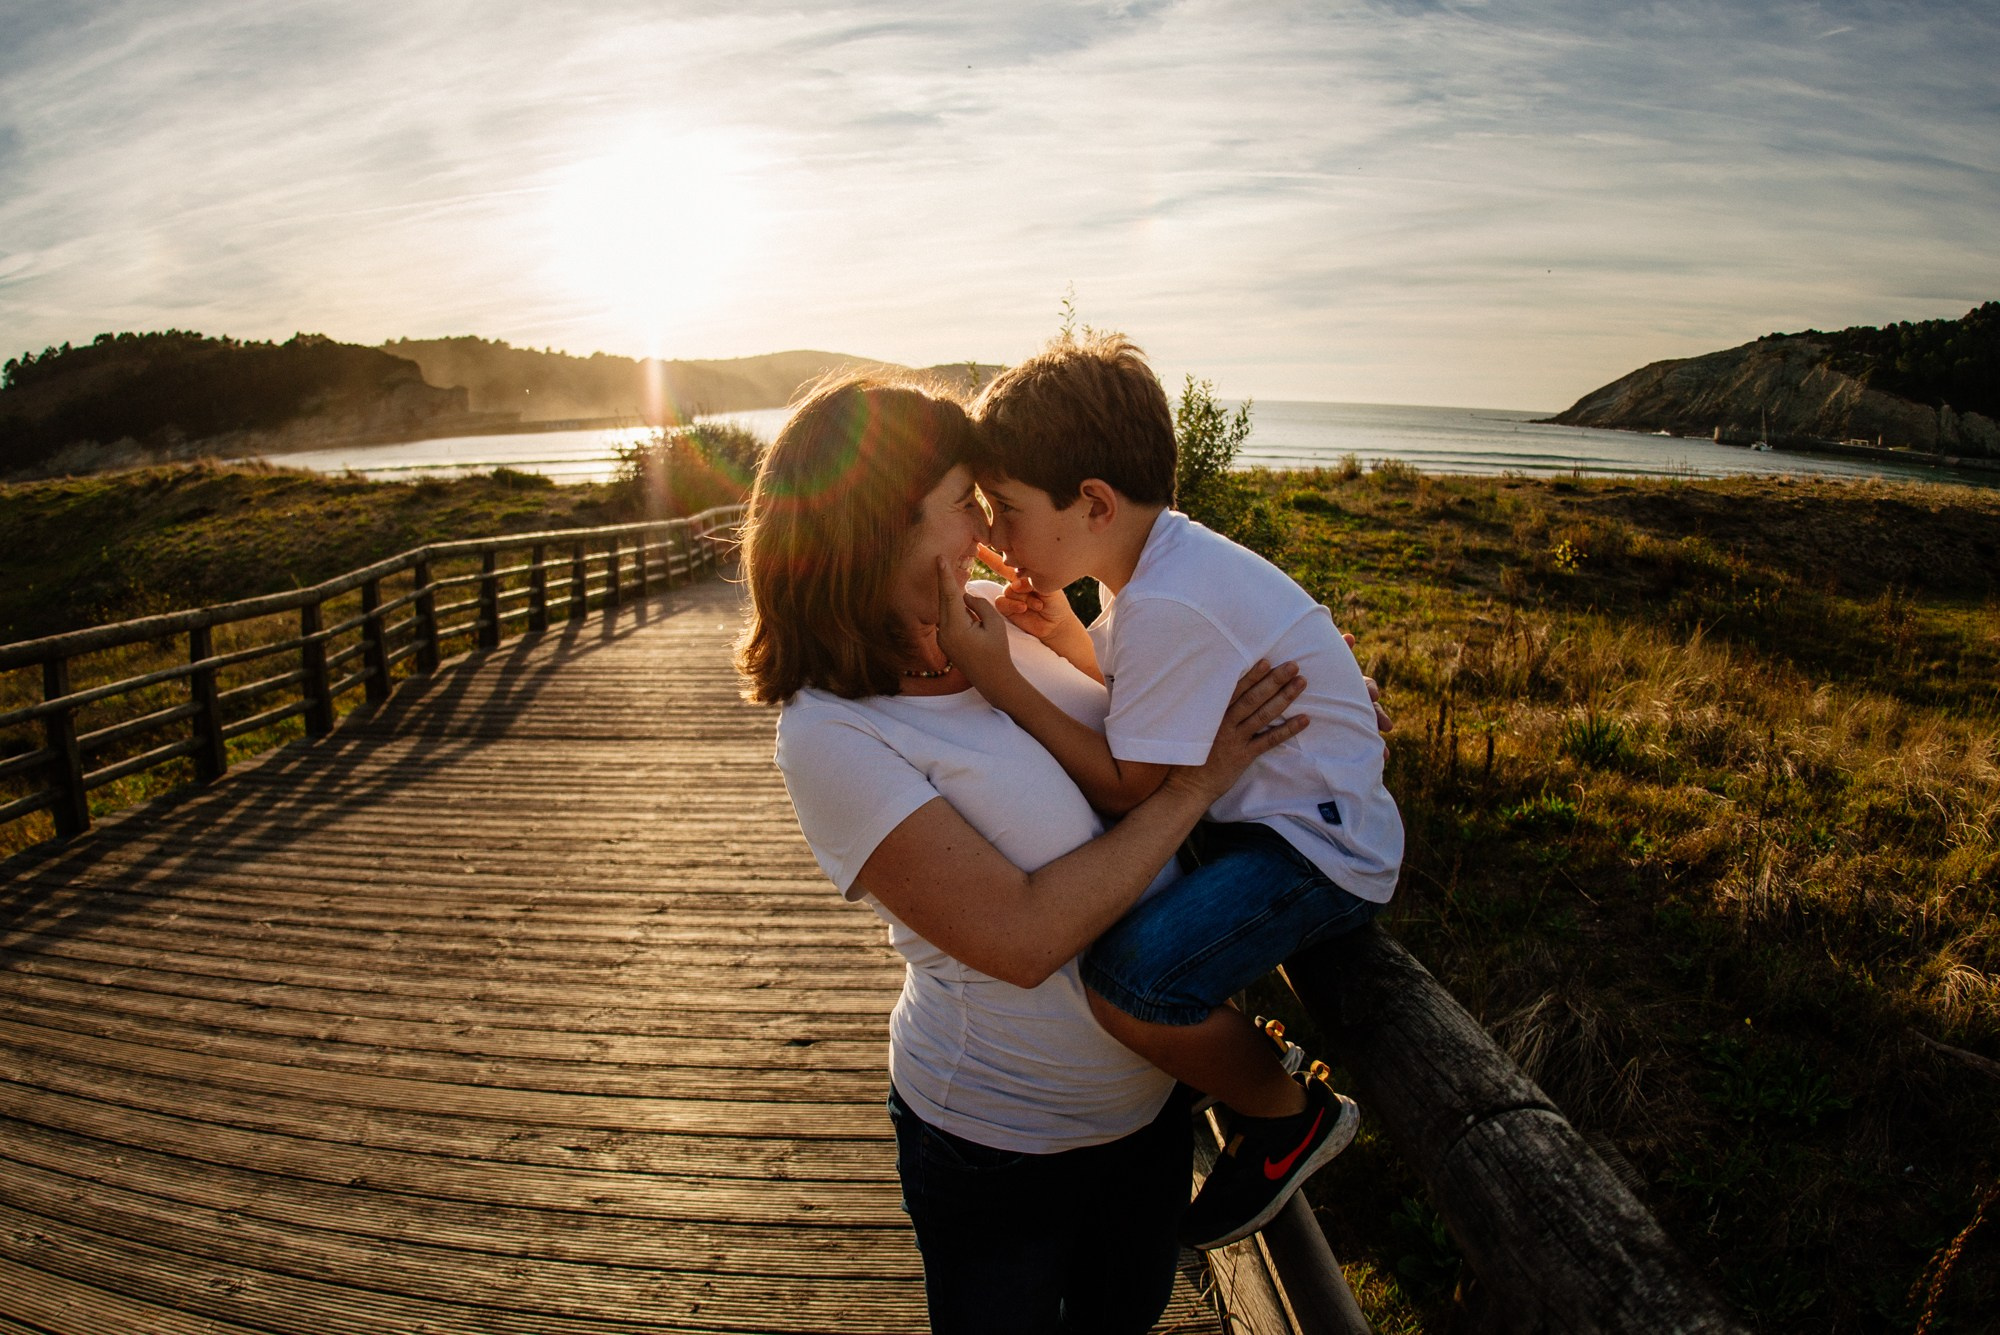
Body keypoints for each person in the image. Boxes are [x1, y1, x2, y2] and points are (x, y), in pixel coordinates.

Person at [736, 373, 1313, 1334]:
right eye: (966, 506)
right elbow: (1020, 934)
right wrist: (1195, 789)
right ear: (877, 530)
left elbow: (1132, 726)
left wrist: (1315, 715)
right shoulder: (831, 731)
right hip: (1002, 1147)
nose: (990, 534)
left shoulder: (996, 622)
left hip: (1150, 1118)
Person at [938, 331, 1405, 1250]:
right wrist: (1071, 639)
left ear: (1094, 503)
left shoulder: (1164, 600)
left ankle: (1287, 1113)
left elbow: (1126, 785)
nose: (992, 532)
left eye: (1006, 507)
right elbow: (1138, 692)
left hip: (1317, 851)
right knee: (1133, 931)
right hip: (1284, 825)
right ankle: (1241, 1063)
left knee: (1131, 982)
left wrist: (1005, 680)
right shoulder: (1161, 565)